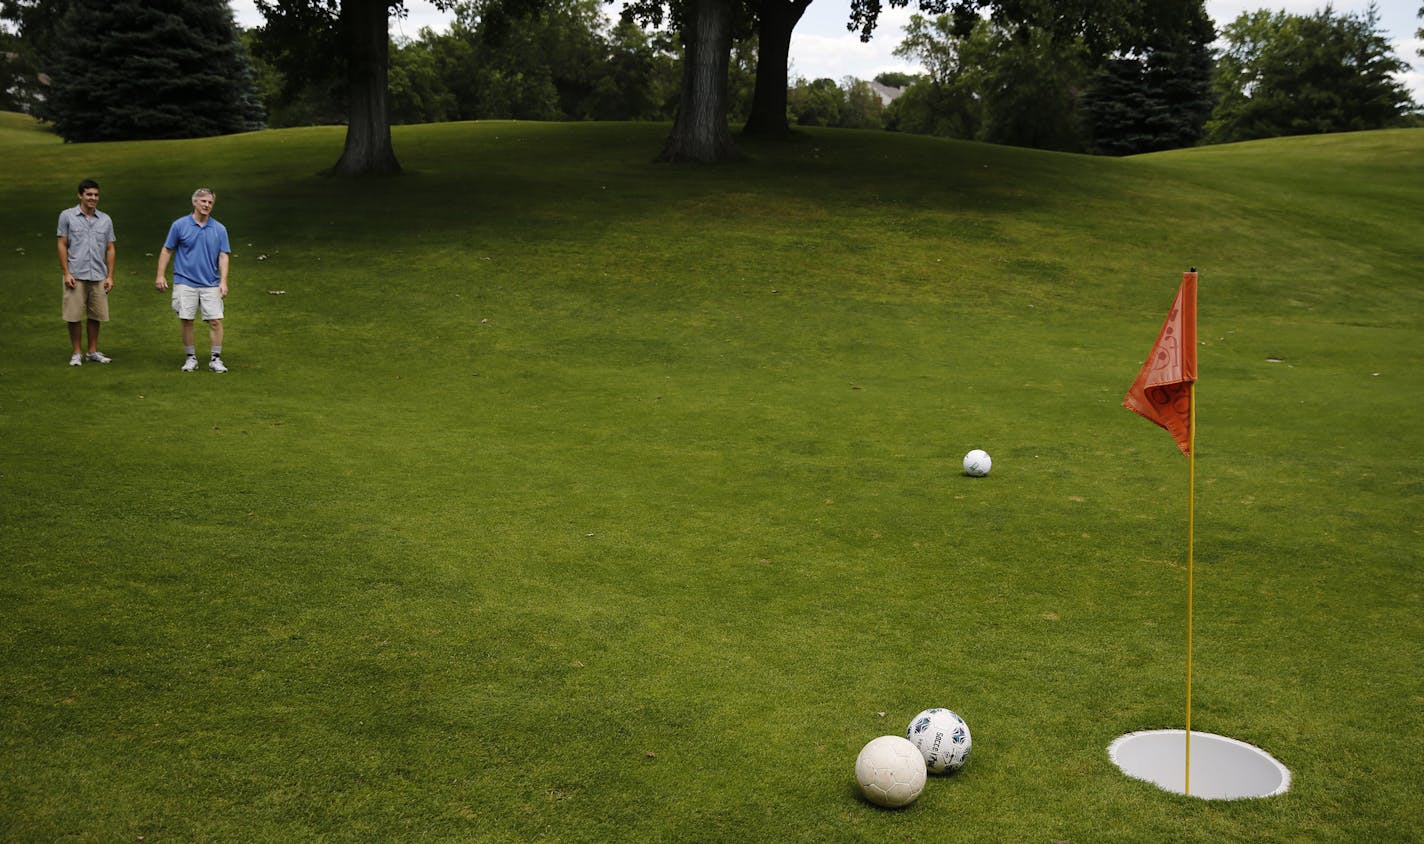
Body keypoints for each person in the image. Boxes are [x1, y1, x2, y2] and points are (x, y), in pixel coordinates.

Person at [155, 188, 231, 372]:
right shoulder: (179, 225)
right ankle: (191, 358)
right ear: (194, 202)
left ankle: (215, 359)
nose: (206, 205)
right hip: (184, 281)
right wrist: (160, 275)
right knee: (187, 320)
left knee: (215, 321)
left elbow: (223, 256)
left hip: (210, 282)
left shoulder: (219, 229)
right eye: (203, 201)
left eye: (210, 202)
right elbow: (167, 250)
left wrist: (223, 281)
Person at [57, 178, 116, 366]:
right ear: (80, 195)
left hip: (99, 274)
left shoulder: (105, 219)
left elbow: (110, 248)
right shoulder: (67, 216)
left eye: (96, 195)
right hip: (76, 274)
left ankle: (92, 351)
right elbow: (62, 244)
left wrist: (110, 276)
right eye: (89, 194)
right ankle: (76, 352)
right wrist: (66, 272)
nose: (93, 198)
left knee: (95, 315)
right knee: (74, 316)